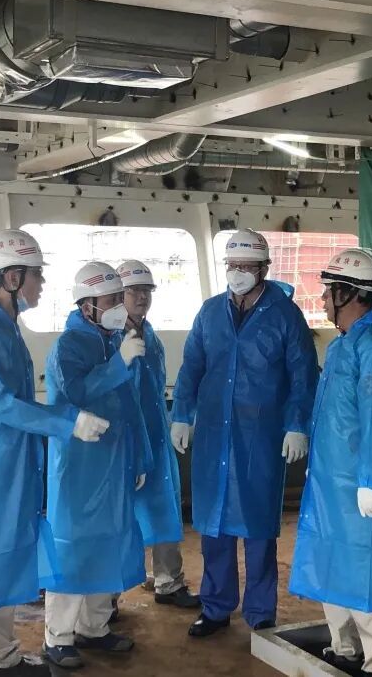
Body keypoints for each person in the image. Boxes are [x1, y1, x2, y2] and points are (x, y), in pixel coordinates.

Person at [0, 230, 110, 677]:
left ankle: (3, 656)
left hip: (6, 464)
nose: (41, 284)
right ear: (13, 278)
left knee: (8, 560)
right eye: (36, 276)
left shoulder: (3, 325)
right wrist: (68, 422)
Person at [171, 228, 319, 636]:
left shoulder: (286, 315)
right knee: (213, 528)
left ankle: (260, 611)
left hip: (261, 436)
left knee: (258, 527)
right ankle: (215, 607)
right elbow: (192, 366)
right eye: (232, 265)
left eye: (246, 266)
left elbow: (303, 375)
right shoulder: (209, 312)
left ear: (264, 269)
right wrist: (181, 413)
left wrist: (296, 425)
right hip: (213, 433)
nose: (237, 273)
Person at [289, 249, 372, 677]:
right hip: (333, 483)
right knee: (334, 566)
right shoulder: (346, 344)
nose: (324, 299)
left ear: (350, 294)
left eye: (329, 291)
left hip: (361, 486)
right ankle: (344, 648)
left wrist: (369, 480)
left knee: (366, 572)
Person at [41, 261, 152, 669]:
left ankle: (95, 626)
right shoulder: (68, 346)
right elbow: (76, 394)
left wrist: (140, 456)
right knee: (72, 548)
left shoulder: (116, 341)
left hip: (115, 462)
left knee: (110, 542)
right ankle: (58, 636)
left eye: (119, 298)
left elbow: (131, 405)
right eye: (110, 300)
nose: (119, 307)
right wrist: (119, 363)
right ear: (87, 305)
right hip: (79, 466)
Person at [115, 259, 199, 609]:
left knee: (165, 510)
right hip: (124, 441)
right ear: (118, 295)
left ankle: (169, 581)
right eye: (133, 291)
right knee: (121, 520)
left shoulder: (152, 338)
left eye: (146, 291)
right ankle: (108, 597)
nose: (141, 297)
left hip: (156, 436)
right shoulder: (110, 340)